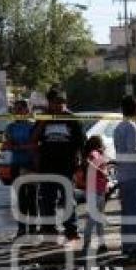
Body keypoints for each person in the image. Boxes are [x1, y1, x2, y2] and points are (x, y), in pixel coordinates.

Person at [32, 88, 85, 241]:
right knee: (47, 198)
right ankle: (48, 228)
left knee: (69, 198)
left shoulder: (72, 119)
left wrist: (81, 163)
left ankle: (71, 229)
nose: (61, 105)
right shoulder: (44, 119)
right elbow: (33, 139)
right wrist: (43, 120)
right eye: (57, 102)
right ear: (49, 103)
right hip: (47, 165)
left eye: (63, 102)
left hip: (67, 165)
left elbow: (82, 143)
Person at [113, 95, 136, 261]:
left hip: (123, 174)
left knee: (127, 213)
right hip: (133, 174)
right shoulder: (132, 127)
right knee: (135, 212)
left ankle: (127, 246)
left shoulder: (118, 127)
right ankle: (134, 248)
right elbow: (133, 151)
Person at [4, 99, 37, 237]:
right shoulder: (10, 127)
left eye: (20, 109)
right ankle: (22, 228)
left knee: (32, 197)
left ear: (27, 111)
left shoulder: (33, 126)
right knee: (20, 198)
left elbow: (35, 145)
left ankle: (33, 228)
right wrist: (24, 147)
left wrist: (19, 147)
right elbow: (8, 145)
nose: (17, 112)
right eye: (15, 109)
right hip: (16, 164)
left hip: (31, 165)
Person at [80, 135, 109, 257]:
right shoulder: (95, 154)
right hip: (96, 191)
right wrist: (104, 173)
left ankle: (101, 244)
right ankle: (87, 245)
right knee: (93, 220)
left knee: (97, 219)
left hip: (98, 190)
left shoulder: (97, 154)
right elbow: (91, 165)